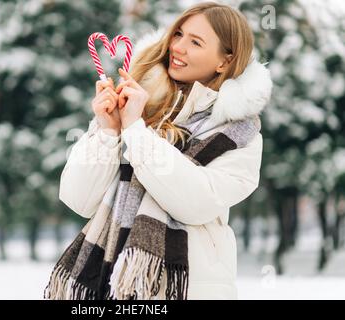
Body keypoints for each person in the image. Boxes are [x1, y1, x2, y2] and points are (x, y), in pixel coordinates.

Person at [45, 2, 273, 300]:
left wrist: (136, 132)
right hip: (111, 286)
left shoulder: (239, 133)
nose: (178, 47)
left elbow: (196, 202)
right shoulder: (140, 103)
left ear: (224, 62)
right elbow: (78, 199)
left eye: (195, 42)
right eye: (178, 34)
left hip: (187, 288)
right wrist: (108, 130)